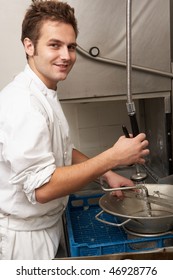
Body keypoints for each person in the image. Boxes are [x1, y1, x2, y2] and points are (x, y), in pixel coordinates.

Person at [0, 0, 149, 260]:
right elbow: (42, 189)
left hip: (47, 226)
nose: (66, 56)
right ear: (29, 45)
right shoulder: (23, 103)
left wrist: (107, 173)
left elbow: (60, 150)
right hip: (24, 243)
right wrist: (113, 156)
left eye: (71, 46)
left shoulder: (43, 91)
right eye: (54, 45)